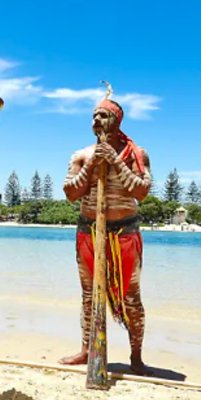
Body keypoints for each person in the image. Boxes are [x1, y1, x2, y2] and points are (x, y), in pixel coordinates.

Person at [59, 89, 152, 375]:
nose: (97, 120)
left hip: (124, 234)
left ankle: (136, 357)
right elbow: (70, 194)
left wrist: (114, 161)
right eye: (94, 116)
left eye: (103, 115)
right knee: (89, 295)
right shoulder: (81, 154)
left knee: (131, 297)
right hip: (89, 233)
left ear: (117, 120)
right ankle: (87, 350)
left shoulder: (137, 154)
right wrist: (90, 166)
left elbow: (142, 192)